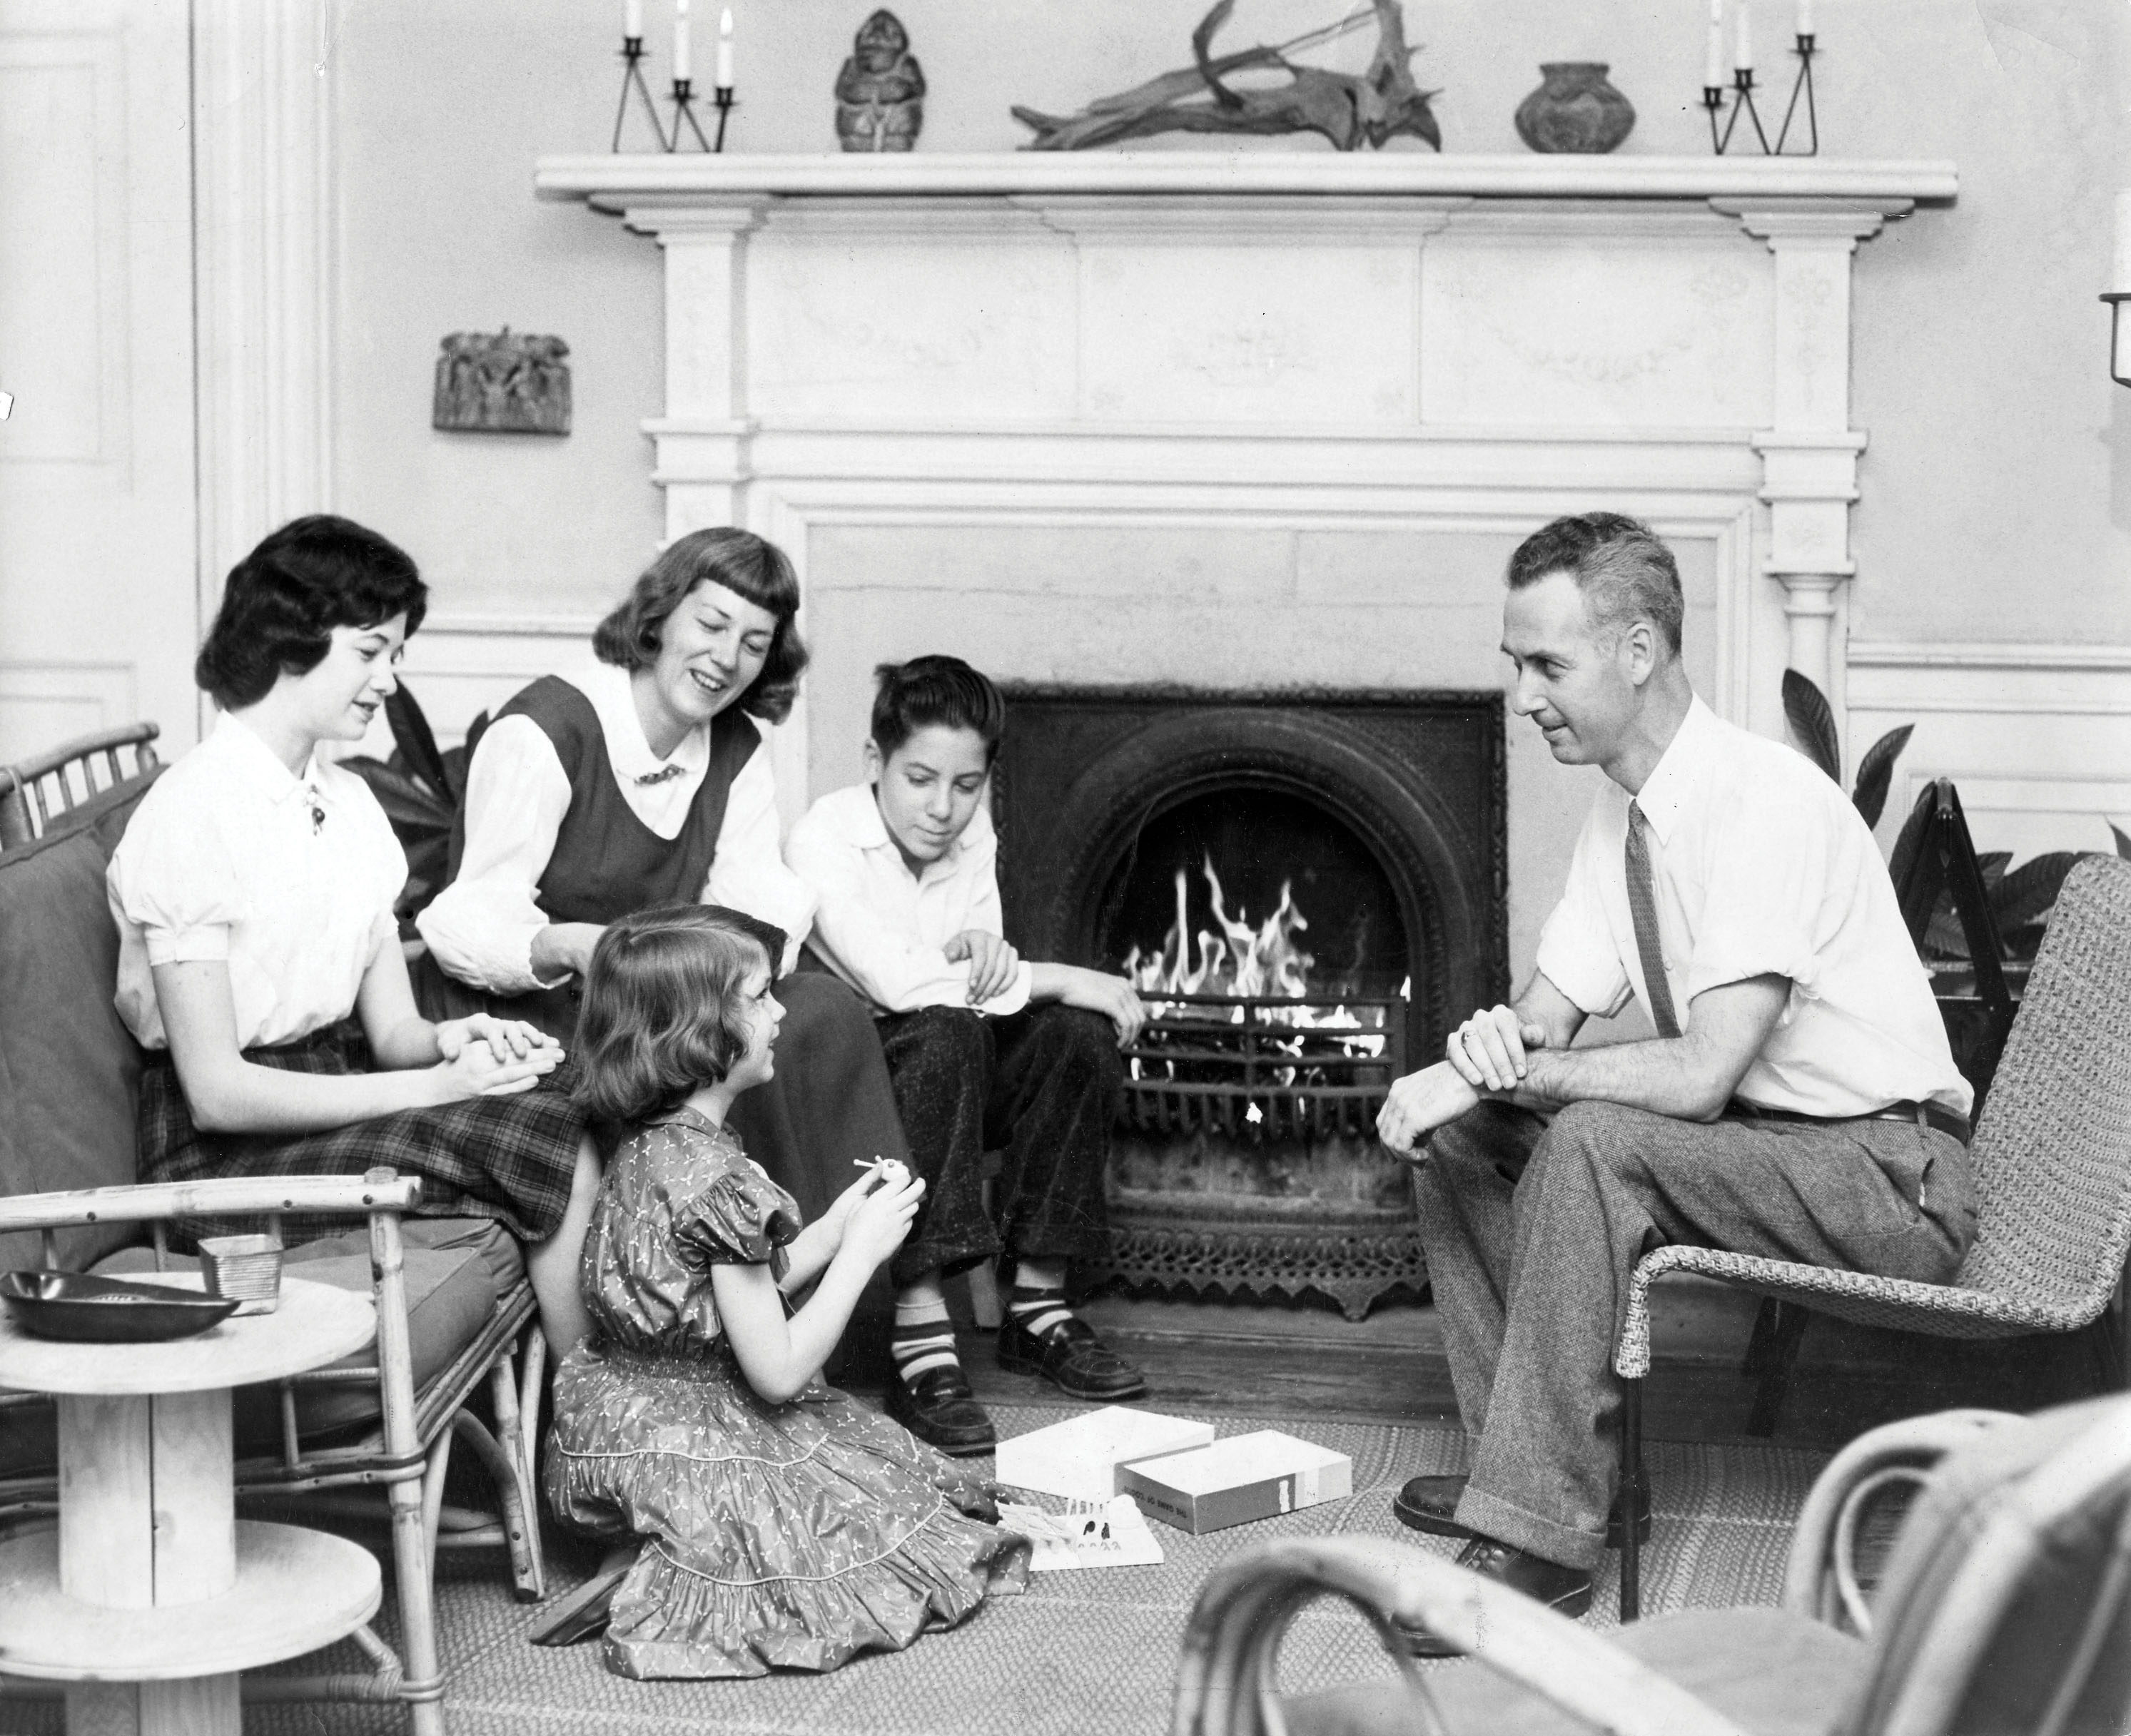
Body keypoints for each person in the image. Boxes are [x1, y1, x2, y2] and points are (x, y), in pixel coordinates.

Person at [1374, 512, 1977, 1646]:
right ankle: (1527, 1473)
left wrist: (1514, 1073)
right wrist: (1472, 1068)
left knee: (1594, 1137)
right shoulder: (1622, 813)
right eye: (1515, 665)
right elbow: (1542, 1015)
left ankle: (1542, 1545)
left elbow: (1702, 1076)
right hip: (1772, 1149)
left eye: (1546, 664)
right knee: (1471, 1136)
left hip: (1890, 1173)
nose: (1522, 696)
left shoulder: (1766, 802)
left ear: (1638, 650)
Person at [107, 515, 603, 1354]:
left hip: (332, 1098)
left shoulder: (347, 803)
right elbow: (218, 1094)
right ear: (288, 641)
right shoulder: (192, 814)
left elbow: (395, 1034)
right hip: (217, 1162)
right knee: (550, 1135)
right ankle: (593, 1415)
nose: (388, 681)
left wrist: (459, 1039)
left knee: (592, 1089)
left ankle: (630, 1393)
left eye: (395, 655)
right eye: (370, 652)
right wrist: (436, 1089)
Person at [545, 903, 1030, 1680]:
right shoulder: (720, 1182)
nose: (780, 1013)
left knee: (876, 1475)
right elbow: (776, 1372)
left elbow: (723, 1296)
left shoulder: (651, 1146)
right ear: (701, 1034)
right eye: (761, 997)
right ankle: (663, 1553)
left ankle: (649, 1540)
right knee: (884, 1511)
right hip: (688, 1434)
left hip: (610, 1423)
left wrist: (836, 1227)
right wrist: (859, 1258)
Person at [414, 528, 908, 1229]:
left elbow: (755, 912)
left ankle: (861, 1287)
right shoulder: (549, 730)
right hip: (538, 1019)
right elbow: (467, 918)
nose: (726, 658)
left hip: (662, 1013)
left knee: (820, 1010)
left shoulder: (735, 751)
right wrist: (572, 945)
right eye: (711, 624)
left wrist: (715, 980)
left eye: (754, 643)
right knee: (714, 1053)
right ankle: (740, 1299)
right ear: (661, 614)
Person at [785, 656, 1149, 1456]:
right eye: (919, 778)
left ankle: (1039, 1308)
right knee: (958, 1027)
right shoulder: (822, 838)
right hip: (853, 1086)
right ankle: (919, 1333)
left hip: (953, 1054)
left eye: (966, 784)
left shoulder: (969, 832)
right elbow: (908, 983)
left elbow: (979, 972)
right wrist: (1066, 976)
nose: (944, 808)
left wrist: (994, 957)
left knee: (1073, 1037)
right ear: (875, 762)